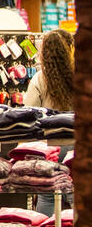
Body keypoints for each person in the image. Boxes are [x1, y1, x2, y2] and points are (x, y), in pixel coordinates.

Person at [24, 29, 74, 217]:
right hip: (77, 145)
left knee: (47, 196)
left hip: (49, 147)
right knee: (76, 195)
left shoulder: (39, 79)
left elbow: (29, 113)